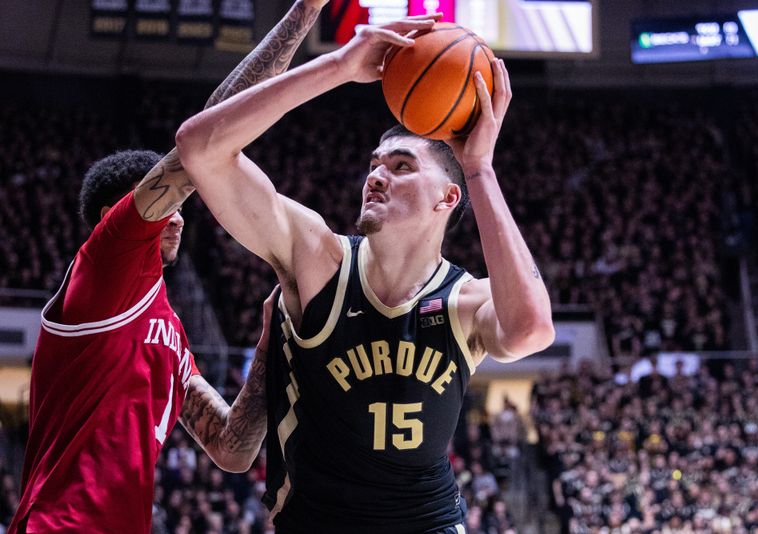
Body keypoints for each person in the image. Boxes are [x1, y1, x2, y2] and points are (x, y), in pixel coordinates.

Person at [176, 15, 554, 532]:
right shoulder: (317, 257)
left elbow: (531, 329)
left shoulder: (463, 302)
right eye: (375, 164)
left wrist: (480, 169)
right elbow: (200, 149)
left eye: (401, 167)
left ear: (448, 197)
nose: (377, 174)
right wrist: (336, 66)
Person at [8, 1, 327, 532]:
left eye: (179, 209)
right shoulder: (107, 266)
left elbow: (232, 448)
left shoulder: (170, 331)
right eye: (166, 207)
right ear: (117, 218)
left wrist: (273, 345)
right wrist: (304, 14)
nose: (178, 218)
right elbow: (206, 139)